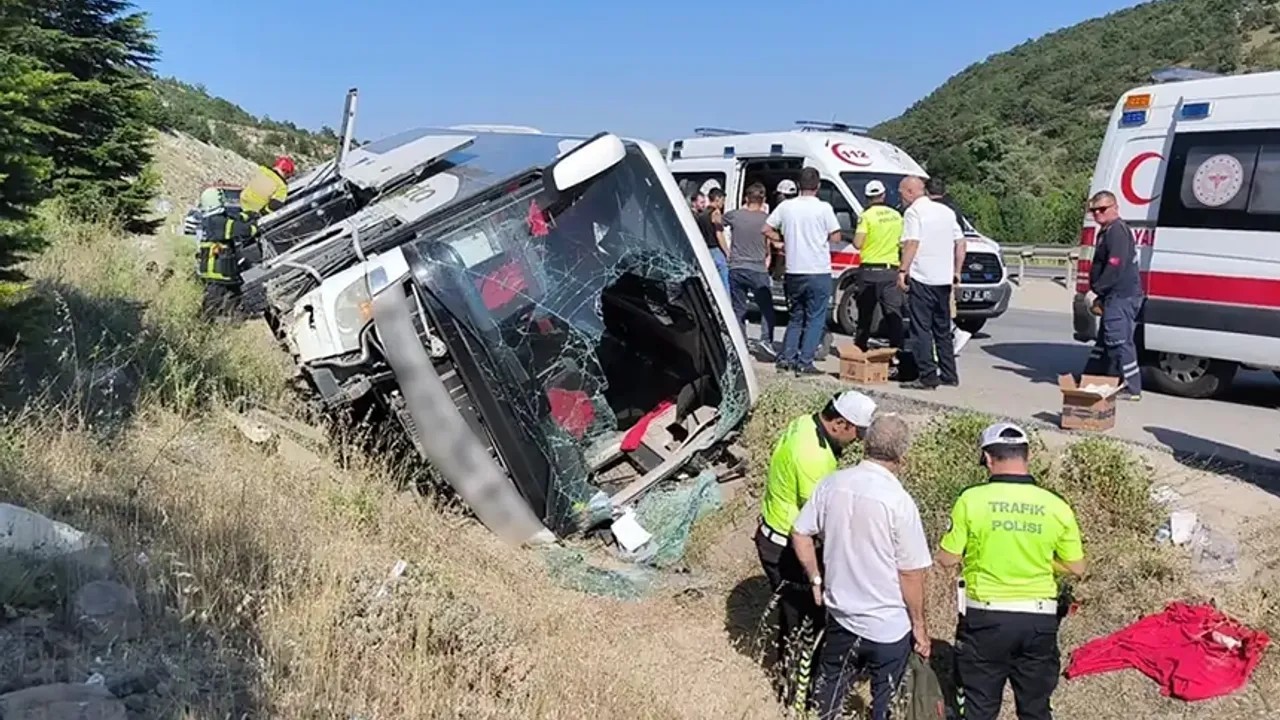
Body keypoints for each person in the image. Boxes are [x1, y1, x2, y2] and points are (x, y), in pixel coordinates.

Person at [935, 422, 1087, 720]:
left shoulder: (971, 499)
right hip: (1039, 621)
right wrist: (1044, 562)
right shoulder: (1056, 505)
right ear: (1027, 456)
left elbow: (947, 559)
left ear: (988, 459)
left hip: (985, 619)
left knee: (978, 707)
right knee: (1035, 709)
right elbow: (1077, 567)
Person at [791, 413, 932, 720]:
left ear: (865, 444)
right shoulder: (899, 502)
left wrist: (816, 579)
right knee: (886, 702)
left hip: (841, 616)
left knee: (829, 693)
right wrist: (919, 626)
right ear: (902, 455)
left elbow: (800, 532)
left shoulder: (833, 484)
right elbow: (910, 573)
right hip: (888, 625)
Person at [757, 392, 877, 669]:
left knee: (795, 613)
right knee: (804, 617)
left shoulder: (804, 423)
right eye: (856, 433)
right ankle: (795, 680)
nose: (858, 440)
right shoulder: (814, 457)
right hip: (786, 547)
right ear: (838, 423)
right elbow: (822, 520)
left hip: (773, 530)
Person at [765, 168, 841, 376]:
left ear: (799, 185)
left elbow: (766, 228)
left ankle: (787, 358)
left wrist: (781, 243)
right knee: (815, 317)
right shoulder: (824, 208)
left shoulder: (787, 207)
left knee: (796, 316)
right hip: (818, 270)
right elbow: (835, 236)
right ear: (817, 186)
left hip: (794, 270)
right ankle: (805, 361)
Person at [898, 176, 965, 390]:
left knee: (921, 329)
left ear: (910, 192)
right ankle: (949, 373)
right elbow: (961, 243)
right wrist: (957, 271)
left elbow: (912, 243)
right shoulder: (946, 211)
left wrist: (902, 270)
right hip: (943, 279)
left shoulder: (913, 213)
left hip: (922, 277)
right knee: (942, 329)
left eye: (901, 192)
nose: (900, 196)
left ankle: (927, 376)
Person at [1083, 190, 1143, 401]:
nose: (1098, 214)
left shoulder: (1117, 231)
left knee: (1119, 341)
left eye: (1102, 209)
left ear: (1114, 208)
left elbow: (1115, 265)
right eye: (1094, 210)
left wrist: (1097, 289)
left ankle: (1132, 387)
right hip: (1112, 296)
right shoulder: (1106, 231)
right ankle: (1097, 380)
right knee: (1105, 341)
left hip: (1121, 295)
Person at [851, 180, 905, 354]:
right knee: (893, 314)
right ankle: (897, 352)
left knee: (865, 315)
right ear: (883, 195)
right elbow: (904, 242)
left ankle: (860, 351)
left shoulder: (866, 216)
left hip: (868, 272)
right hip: (890, 271)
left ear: (867, 198)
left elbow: (858, 243)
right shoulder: (897, 216)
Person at [925, 177, 975, 356]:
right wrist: (957, 270)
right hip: (948, 265)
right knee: (943, 306)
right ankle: (948, 338)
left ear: (926, 192)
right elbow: (961, 242)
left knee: (937, 309)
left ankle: (952, 336)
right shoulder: (954, 209)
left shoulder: (933, 210)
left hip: (935, 265)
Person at [725, 182, 777, 353]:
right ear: (763, 200)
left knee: (738, 308)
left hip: (737, 267)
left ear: (746, 198)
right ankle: (766, 341)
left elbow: (715, 219)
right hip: (757, 269)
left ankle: (740, 342)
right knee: (766, 308)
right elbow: (772, 240)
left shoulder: (735, 216)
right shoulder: (766, 219)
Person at [240, 156, 295, 220]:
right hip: (255, 210)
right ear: (286, 172)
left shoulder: (261, 170)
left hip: (243, 201)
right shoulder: (282, 186)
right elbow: (275, 204)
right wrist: (263, 214)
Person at [696, 187, 731, 290]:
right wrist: (727, 252)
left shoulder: (702, 214)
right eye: (722, 200)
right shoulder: (716, 212)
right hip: (715, 249)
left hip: (705, 250)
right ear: (717, 198)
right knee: (724, 281)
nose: (723, 203)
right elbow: (719, 233)